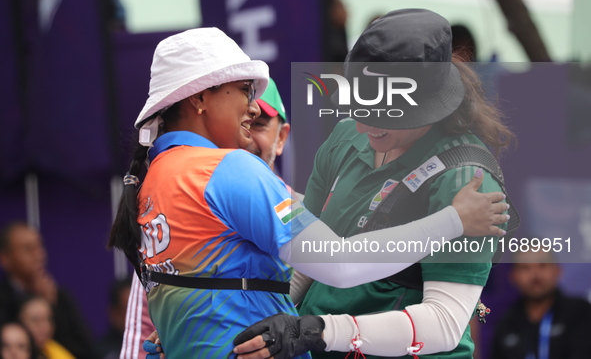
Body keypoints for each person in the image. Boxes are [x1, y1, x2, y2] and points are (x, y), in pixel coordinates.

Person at [107, 26, 508, 358]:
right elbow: (340, 263)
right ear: (198, 98)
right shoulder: (230, 169)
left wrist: (306, 329)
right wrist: (453, 221)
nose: (252, 105)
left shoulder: (154, 174)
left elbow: (445, 324)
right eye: (245, 89)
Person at [233, 8, 515, 359]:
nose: (364, 127)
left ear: (430, 107)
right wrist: (245, 332)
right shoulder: (346, 135)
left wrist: (320, 331)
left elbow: (444, 325)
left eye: (382, 117)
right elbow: (310, 263)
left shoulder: (468, 184)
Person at [119, 78, 292, 359]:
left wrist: (302, 333)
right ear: (199, 100)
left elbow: (336, 294)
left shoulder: (157, 183)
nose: (252, 112)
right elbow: (141, 332)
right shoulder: (194, 183)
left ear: (281, 137)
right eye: (244, 93)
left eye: (261, 125)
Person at [0, 221, 95, 359]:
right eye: (28, 249)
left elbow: (85, 347)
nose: (39, 255)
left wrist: (53, 307)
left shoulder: (59, 296)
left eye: (39, 247)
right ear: (5, 258)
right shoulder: (3, 298)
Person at [491, 248, 591, 359]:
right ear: (513, 276)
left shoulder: (580, 312)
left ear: (557, 270)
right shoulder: (506, 322)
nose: (535, 275)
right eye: (526, 268)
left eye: (542, 265)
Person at [95, 278, 132, 359]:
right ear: (114, 313)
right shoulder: (103, 353)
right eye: (130, 309)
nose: (137, 316)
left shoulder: (161, 346)